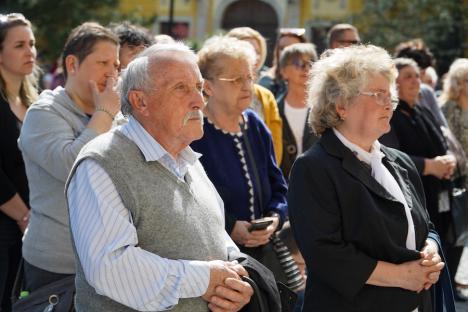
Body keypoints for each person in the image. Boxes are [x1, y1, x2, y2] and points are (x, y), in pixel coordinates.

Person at [66, 42, 253, 312]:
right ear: (140, 101)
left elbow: (215, 235)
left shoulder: (188, 159)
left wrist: (236, 278)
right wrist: (205, 279)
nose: (199, 101)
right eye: (181, 88)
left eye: (199, 88)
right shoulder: (101, 162)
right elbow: (110, 268)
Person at [288, 45, 445, 311]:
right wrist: (402, 276)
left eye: (389, 95)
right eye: (378, 94)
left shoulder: (401, 162)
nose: (389, 104)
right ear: (341, 106)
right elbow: (325, 254)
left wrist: (430, 248)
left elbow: (426, 225)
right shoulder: (314, 167)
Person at [191, 36, 302, 290]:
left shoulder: (255, 125)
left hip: (264, 257)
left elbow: (279, 186)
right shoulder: (195, 133)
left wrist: (274, 218)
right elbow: (189, 199)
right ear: (207, 87)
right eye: (236, 80)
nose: (247, 86)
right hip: (216, 261)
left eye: (249, 77)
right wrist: (230, 226)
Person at [18, 22, 121, 292]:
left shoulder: (115, 116)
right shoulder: (44, 112)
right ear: (73, 64)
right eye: (103, 62)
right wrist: (104, 114)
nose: (112, 73)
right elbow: (73, 167)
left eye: (116, 65)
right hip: (57, 266)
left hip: (109, 264)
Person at [380, 57, 466, 301]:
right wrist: (429, 166)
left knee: (443, 250)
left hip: (439, 193)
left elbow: (443, 139)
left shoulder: (421, 108)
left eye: (417, 76)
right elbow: (391, 156)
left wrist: (448, 160)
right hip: (416, 196)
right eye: (407, 76)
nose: (415, 81)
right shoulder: (391, 115)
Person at [0, 13, 38, 311]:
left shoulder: (34, 103)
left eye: (32, 43)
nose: (30, 51)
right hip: (6, 223)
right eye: (19, 45)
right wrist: (23, 216)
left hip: (30, 227)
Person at [227, 26, 283, 164]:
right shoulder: (214, 92)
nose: (255, 56)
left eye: (258, 52)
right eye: (247, 50)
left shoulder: (265, 96)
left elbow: (275, 145)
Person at [277, 43, 319, 180]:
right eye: (298, 63)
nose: (305, 68)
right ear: (283, 71)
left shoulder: (325, 109)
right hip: (284, 190)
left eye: (310, 63)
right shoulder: (273, 110)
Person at [258, 28, 306, 99]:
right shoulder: (267, 81)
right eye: (282, 48)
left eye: (293, 48)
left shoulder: (310, 80)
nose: (286, 52)